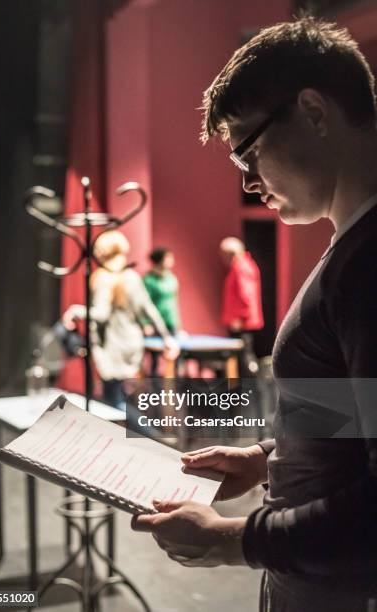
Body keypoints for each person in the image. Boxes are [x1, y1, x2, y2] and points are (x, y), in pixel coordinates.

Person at [131, 16, 377, 612]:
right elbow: (353, 426)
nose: (250, 184)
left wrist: (232, 540)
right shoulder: (352, 249)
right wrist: (267, 458)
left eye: (250, 153)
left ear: (315, 112)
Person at [63, 231, 177, 409]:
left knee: (114, 402)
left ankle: (151, 436)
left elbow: (101, 314)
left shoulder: (104, 279)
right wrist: (167, 338)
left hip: (113, 348)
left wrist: (75, 311)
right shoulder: (132, 277)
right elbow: (150, 310)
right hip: (131, 345)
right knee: (118, 398)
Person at [220, 236, 264, 376]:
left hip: (241, 323)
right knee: (243, 357)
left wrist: (240, 317)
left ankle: (252, 393)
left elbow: (246, 295)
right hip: (241, 321)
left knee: (245, 359)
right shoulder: (243, 265)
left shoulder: (241, 268)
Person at [143, 247, 182, 376]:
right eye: (168, 257)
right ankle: (154, 387)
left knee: (175, 355)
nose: (171, 260)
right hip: (156, 323)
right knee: (155, 357)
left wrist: (178, 322)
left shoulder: (171, 277)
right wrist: (146, 323)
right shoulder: (149, 280)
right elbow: (144, 304)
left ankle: (175, 385)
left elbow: (175, 300)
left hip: (171, 320)